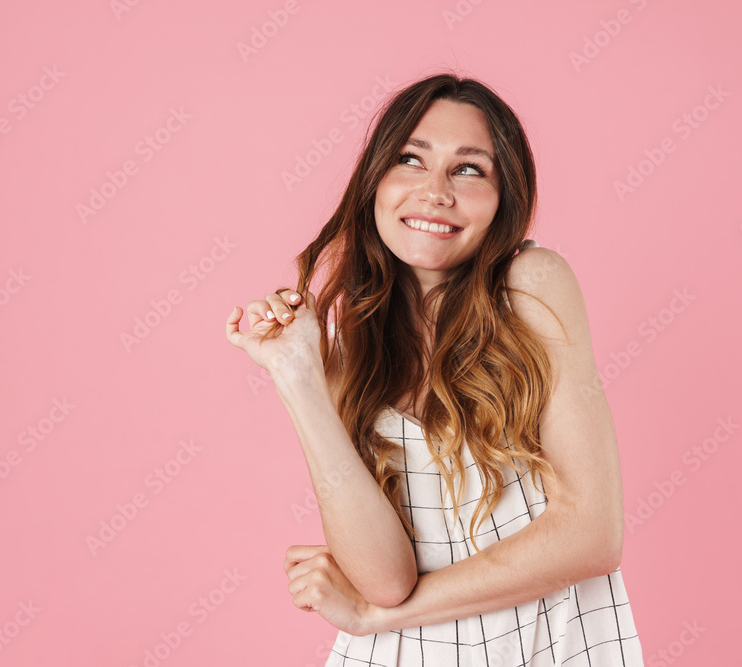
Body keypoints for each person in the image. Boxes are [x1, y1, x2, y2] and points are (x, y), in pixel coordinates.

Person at [227, 72, 643, 666]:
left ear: (506, 197)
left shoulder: (530, 285)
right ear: (375, 181)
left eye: (469, 169)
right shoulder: (354, 340)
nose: (435, 191)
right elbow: (384, 577)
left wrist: (379, 618)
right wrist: (298, 379)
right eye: (410, 160)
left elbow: (593, 534)